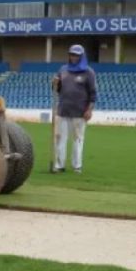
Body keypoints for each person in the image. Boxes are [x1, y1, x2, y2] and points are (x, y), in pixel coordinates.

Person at [52, 44, 97, 174]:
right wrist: (55, 83)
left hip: (80, 112)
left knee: (78, 140)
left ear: (82, 56)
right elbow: (57, 90)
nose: (73, 57)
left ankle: (77, 165)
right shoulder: (63, 70)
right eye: (72, 54)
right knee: (60, 138)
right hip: (62, 110)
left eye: (76, 55)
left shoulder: (89, 72)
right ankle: (59, 165)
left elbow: (93, 94)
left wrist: (89, 110)